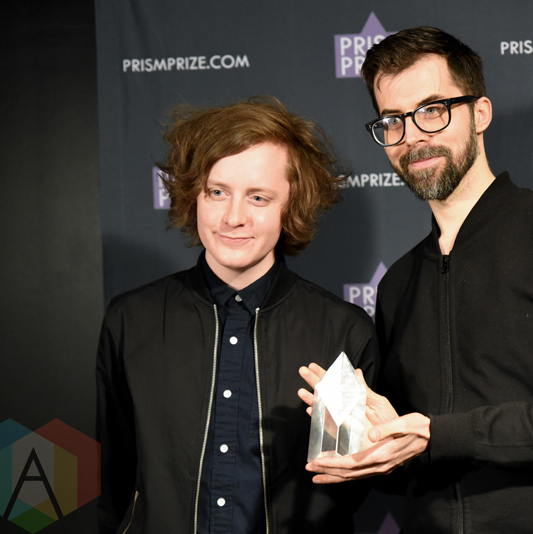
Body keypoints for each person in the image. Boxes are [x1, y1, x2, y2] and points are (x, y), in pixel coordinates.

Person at [300, 27, 533, 534]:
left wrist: (441, 434)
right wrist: (377, 438)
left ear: (480, 113)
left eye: (432, 110)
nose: (412, 136)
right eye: (393, 120)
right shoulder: (398, 284)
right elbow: (421, 461)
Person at [96, 97, 378, 534]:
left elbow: (348, 485)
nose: (233, 217)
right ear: (193, 195)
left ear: (291, 205)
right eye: (217, 192)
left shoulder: (342, 331)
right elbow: (109, 478)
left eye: (258, 197)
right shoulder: (132, 320)